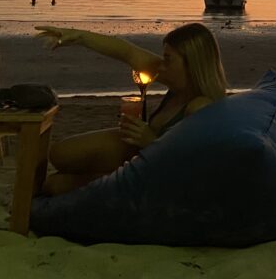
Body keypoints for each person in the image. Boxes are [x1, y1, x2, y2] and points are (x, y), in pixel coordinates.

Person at [34, 22, 227, 195]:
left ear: (192, 64)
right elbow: (128, 52)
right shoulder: (179, 84)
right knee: (60, 154)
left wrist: (151, 141)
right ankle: (107, 176)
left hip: (155, 174)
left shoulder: (200, 106)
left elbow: (192, 169)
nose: (161, 66)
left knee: (55, 184)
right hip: (142, 156)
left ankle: (108, 179)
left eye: (168, 59)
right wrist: (78, 36)